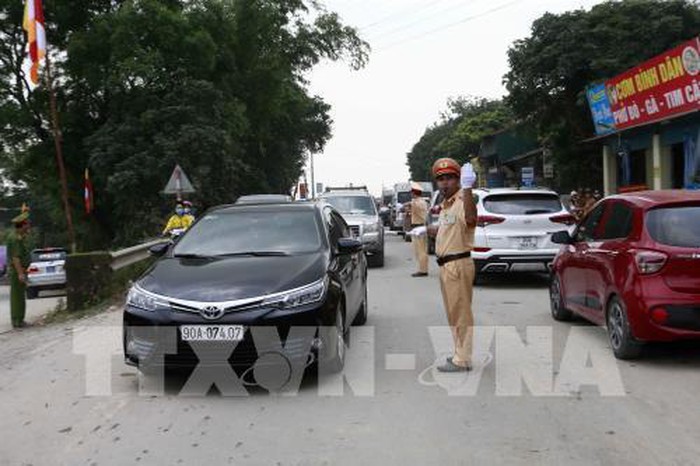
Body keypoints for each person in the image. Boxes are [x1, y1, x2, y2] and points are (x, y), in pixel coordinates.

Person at [427, 158, 478, 373]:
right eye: (440, 179)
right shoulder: (446, 204)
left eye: (449, 178)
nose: (445, 183)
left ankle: (462, 359)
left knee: (461, 313)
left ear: (458, 179)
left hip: (458, 264)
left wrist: (467, 188)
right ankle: (459, 351)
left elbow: (471, 218)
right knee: (453, 313)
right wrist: (431, 231)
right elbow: (450, 230)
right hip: (447, 265)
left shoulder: (463, 200)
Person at [7, 208, 32, 328]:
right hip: (18, 270)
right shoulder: (15, 238)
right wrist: (20, 273)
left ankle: (19, 320)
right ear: (22, 225)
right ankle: (17, 321)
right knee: (17, 297)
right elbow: (15, 258)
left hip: (21, 269)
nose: (29, 225)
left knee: (20, 296)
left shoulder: (20, 237)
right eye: (27, 223)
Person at [407, 182, 429, 277]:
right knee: (422, 249)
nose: (411, 194)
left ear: (414, 193)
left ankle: (422, 270)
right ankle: (423, 268)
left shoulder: (416, 202)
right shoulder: (423, 202)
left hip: (418, 227)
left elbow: (408, 205)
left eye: (412, 193)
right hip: (421, 226)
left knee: (419, 250)